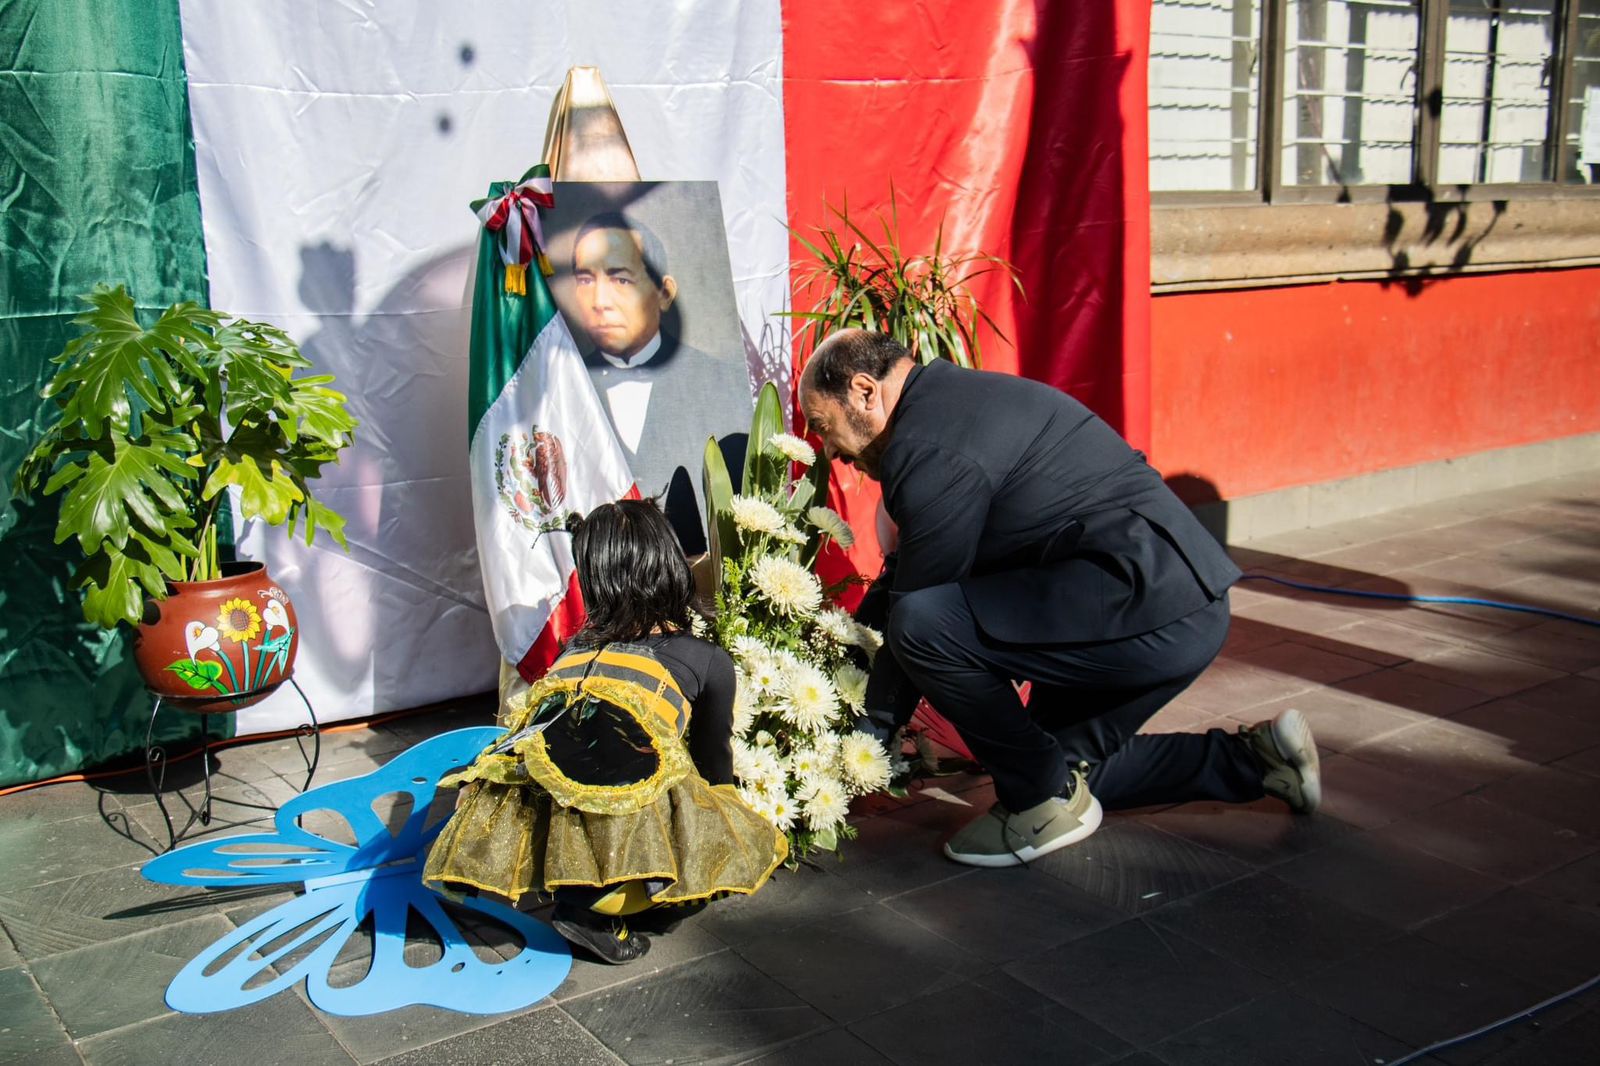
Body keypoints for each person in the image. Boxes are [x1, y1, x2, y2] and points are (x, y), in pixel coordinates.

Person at [796, 329, 1321, 868]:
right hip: (1175, 603)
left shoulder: (926, 442)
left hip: (1145, 609)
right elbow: (903, 573)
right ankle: (1259, 761)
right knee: (1053, 759)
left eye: (822, 427)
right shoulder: (950, 407)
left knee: (925, 627)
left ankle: (1040, 805)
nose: (831, 451)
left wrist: (865, 744)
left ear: (863, 391)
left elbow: (919, 609)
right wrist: (839, 670)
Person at [425, 498, 787, 962]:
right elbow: (713, 761)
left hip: (536, 827)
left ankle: (573, 888)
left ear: (593, 582)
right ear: (671, 564)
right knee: (702, 816)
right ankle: (604, 906)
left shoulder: (570, 653)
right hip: (619, 825)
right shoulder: (705, 661)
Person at [570, 212, 751, 554]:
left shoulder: (719, 382)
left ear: (665, 293)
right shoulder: (557, 393)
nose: (599, 302)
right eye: (585, 280)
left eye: (620, 279)